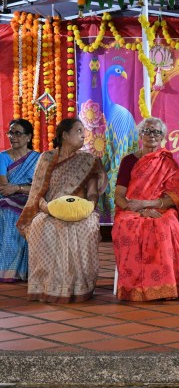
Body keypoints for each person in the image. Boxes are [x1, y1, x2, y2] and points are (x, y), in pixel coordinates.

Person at [17, 118, 107, 303]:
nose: (83, 134)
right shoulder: (47, 158)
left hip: (80, 210)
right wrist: (46, 207)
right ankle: (48, 285)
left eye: (84, 131)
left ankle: (78, 286)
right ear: (65, 135)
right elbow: (37, 191)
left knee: (84, 225)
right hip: (50, 209)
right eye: (79, 130)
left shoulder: (88, 160)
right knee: (41, 224)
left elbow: (92, 193)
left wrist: (88, 207)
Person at [112, 117, 179, 301]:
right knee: (128, 225)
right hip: (131, 209)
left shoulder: (167, 163)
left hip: (159, 208)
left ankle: (165, 286)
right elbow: (119, 195)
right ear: (140, 134)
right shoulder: (129, 161)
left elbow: (173, 199)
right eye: (147, 131)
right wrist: (139, 210)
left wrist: (147, 204)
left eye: (156, 132)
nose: (151, 135)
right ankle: (135, 287)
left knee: (166, 225)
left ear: (162, 137)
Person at [0, 119, 40, 282]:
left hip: (32, 197)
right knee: (8, 212)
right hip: (7, 198)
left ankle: (29, 269)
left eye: (17, 133)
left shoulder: (38, 159)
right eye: (10, 133)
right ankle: (8, 269)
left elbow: (41, 187)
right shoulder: (2, 157)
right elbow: (4, 187)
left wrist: (18, 188)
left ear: (28, 137)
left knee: (36, 214)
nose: (13, 136)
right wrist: (16, 189)